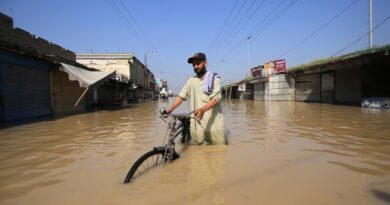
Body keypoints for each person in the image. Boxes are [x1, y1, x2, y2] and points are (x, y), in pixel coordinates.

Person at [166, 52, 226, 145]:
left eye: (198, 63)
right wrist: (171, 108)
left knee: (219, 154)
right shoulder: (191, 81)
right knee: (200, 156)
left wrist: (202, 109)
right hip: (198, 128)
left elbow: (216, 98)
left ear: (205, 63)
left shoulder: (215, 78)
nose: (195, 67)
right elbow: (181, 96)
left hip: (214, 127)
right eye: (193, 65)